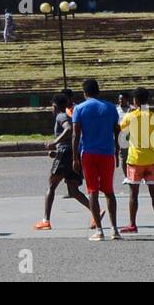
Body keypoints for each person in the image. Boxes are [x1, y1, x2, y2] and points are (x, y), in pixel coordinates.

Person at [72, 78, 120, 241]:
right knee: (109, 191)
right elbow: (116, 131)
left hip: (89, 154)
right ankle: (115, 229)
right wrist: (117, 150)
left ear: (84, 93)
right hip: (107, 153)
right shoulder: (111, 107)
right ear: (99, 91)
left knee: (92, 191)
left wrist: (74, 158)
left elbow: (76, 135)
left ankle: (99, 230)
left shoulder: (79, 108)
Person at [33, 93, 90, 230]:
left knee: (51, 186)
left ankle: (46, 220)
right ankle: (96, 212)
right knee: (73, 190)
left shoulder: (61, 116)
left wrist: (54, 143)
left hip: (65, 154)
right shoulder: (65, 115)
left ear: (54, 106)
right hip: (69, 152)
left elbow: (69, 129)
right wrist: (57, 150)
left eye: (51, 106)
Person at [118, 87, 154, 233]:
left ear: (135, 101)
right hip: (151, 159)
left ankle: (132, 224)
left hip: (135, 159)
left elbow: (119, 128)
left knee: (134, 194)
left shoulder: (131, 116)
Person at [116, 93, 131, 185]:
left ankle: (139, 175)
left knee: (134, 157)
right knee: (124, 158)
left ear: (127, 99)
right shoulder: (116, 110)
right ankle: (126, 177)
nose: (120, 101)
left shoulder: (131, 109)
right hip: (121, 137)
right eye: (119, 99)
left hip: (132, 136)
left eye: (122, 99)